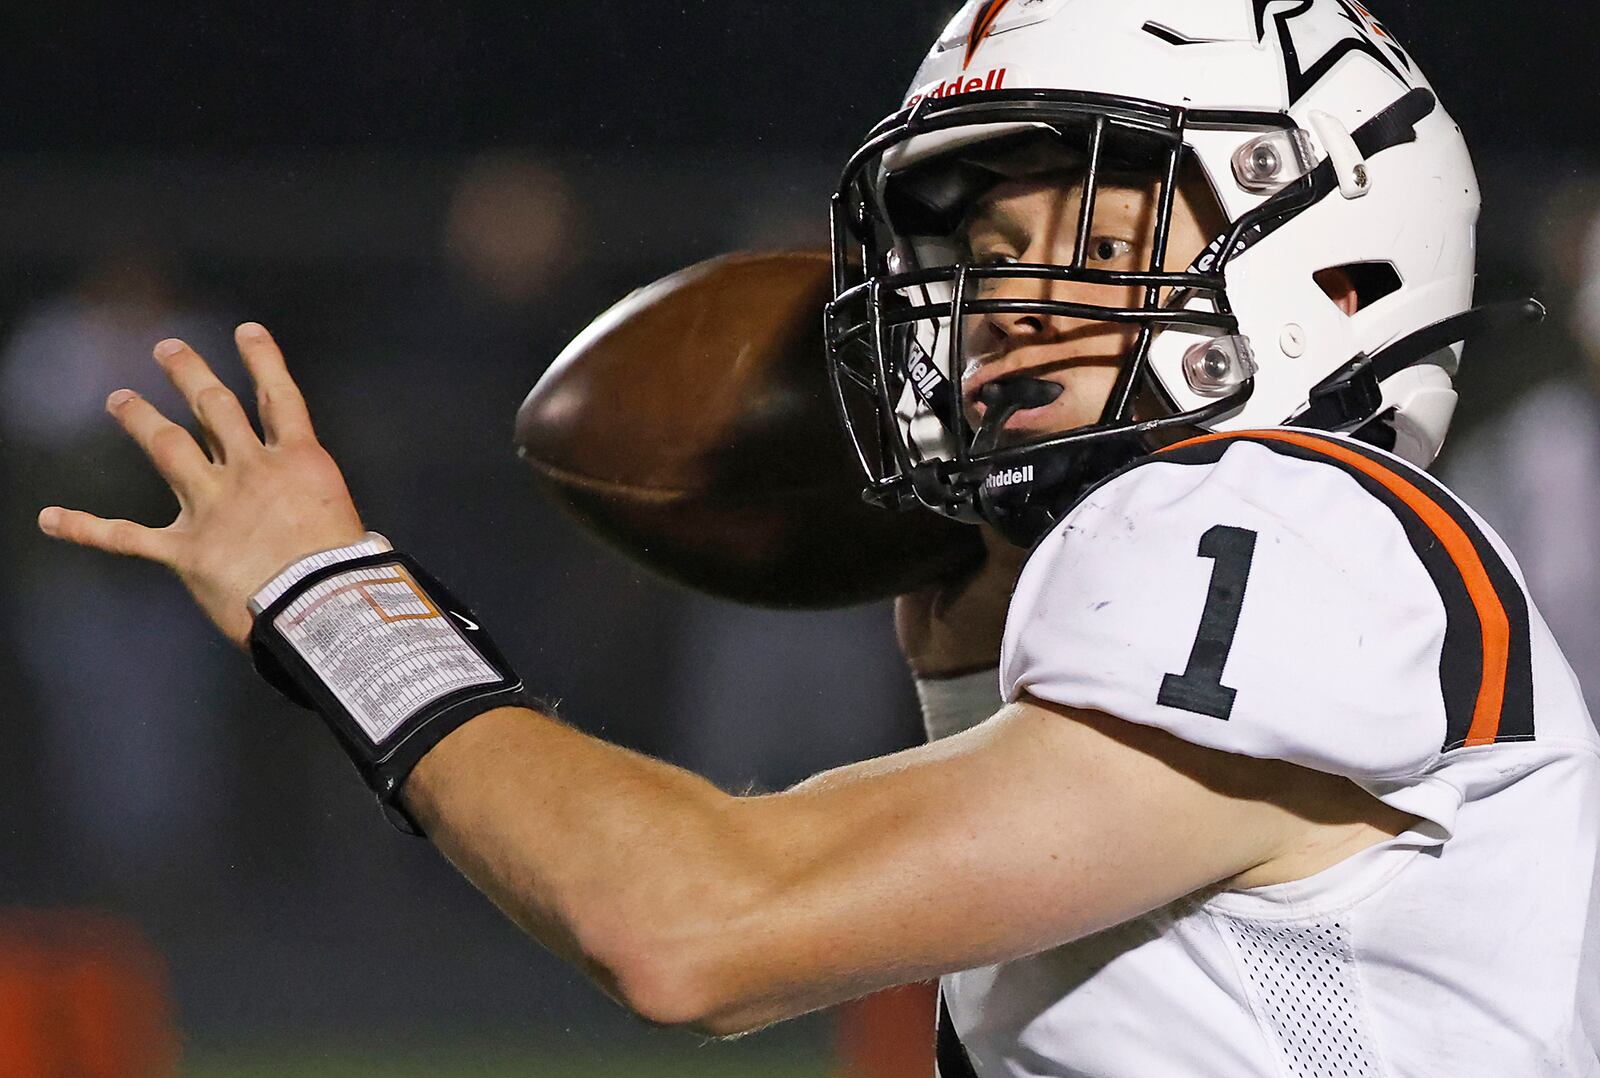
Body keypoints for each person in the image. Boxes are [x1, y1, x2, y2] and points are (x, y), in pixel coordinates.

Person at [37, 2, 1599, 1075]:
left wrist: (337, 600)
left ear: (1330, 242)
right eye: (983, 255)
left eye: (1093, 231)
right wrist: (960, 648)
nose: (1004, 308)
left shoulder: (1288, 518)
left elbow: (693, 922)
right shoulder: (1183, 575)